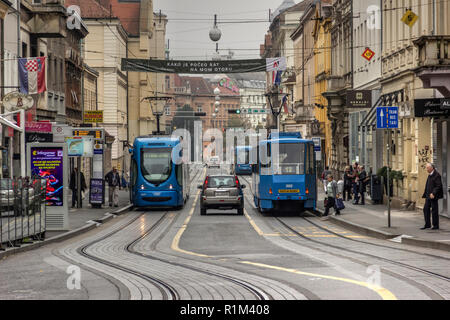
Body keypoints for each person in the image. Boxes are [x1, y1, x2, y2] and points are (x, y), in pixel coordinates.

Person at [421, 163, 443, 230]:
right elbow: (428, 185)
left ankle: (435, 225)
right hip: (428, 196)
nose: (426, 169)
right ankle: (427, 224)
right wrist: (426, 193)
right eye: (426, 168)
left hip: (433, 196)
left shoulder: (436, 175)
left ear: (431, 168)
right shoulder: (430, 175)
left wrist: (433, 193)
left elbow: (438, 186)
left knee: (434, 210)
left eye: (427, 168)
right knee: (425, 209)